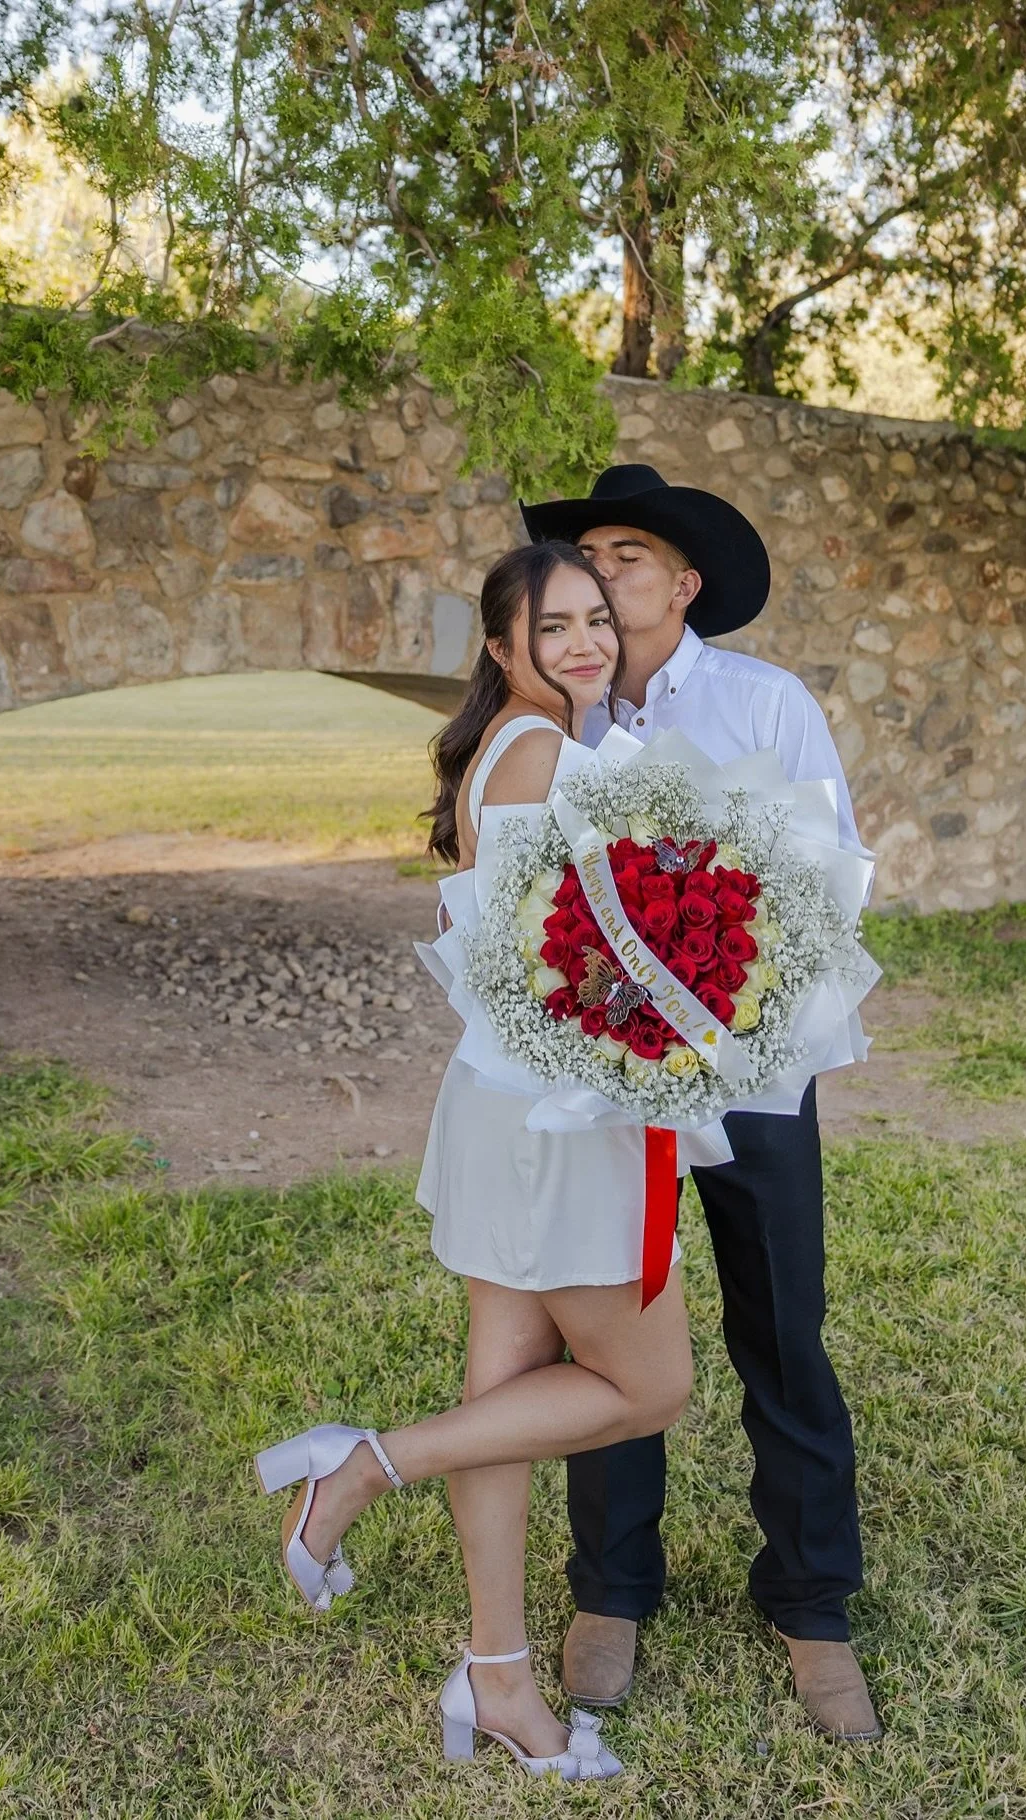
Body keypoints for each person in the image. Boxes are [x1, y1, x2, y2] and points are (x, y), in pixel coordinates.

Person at [255, 540, 702, 1786]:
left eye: (595, 620)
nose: (583, 644)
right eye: (551, 627)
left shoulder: (512, 745)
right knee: (648, 1387)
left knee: (503, 1393)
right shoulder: (542, 750)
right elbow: (551, 969)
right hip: (560, 1119)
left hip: (509, 1107)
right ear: (502, 648)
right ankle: (363, 1465)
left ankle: (498, 1675)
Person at [520, 464, 882, 1742]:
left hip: (759, 1071)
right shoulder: (547, 716)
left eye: (627, 553)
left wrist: (732, 1020)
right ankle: (612, 1586)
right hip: (606, 1092)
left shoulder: (766, 704)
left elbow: (831, 881)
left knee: (783, 1328)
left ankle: (813, 1600)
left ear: (683, 584)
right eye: (587, 553)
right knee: (610, 1340)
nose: (600, 572)